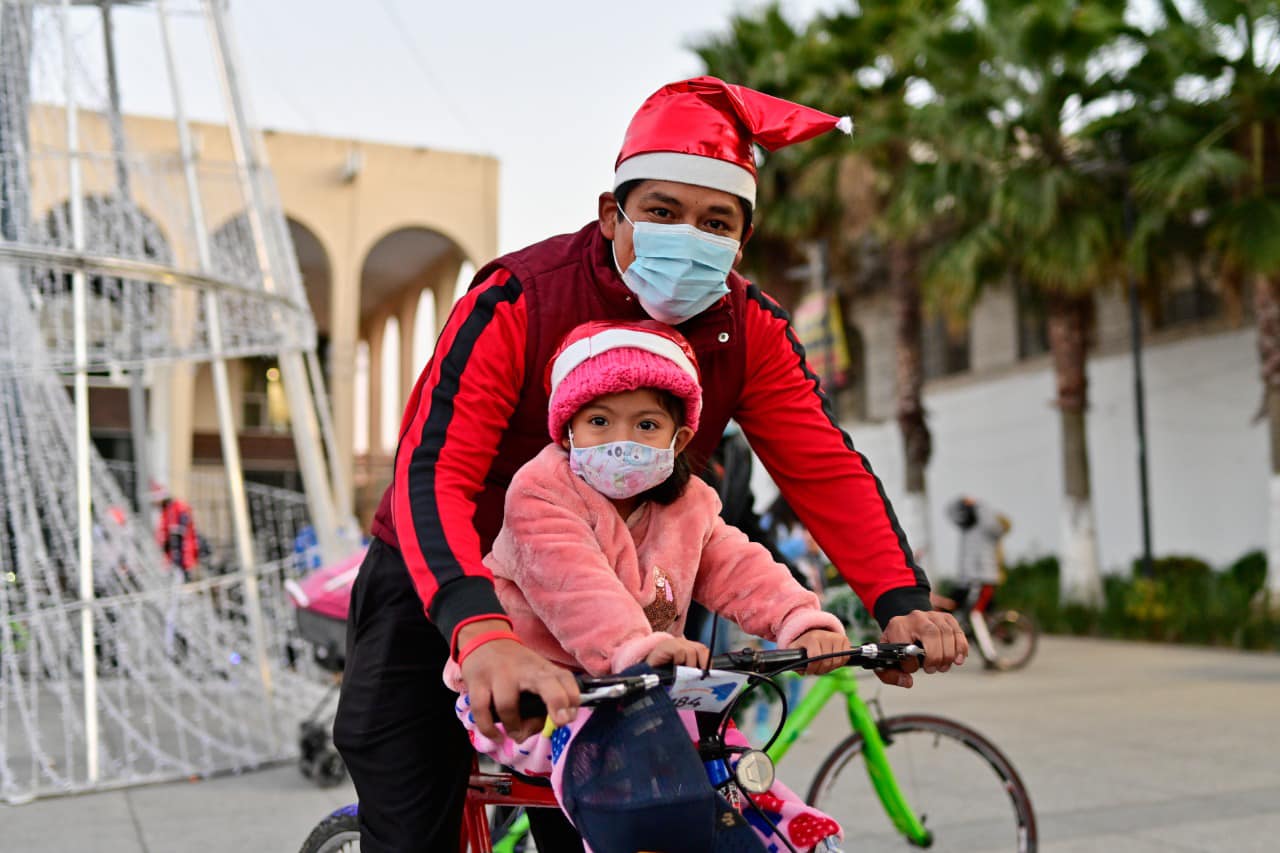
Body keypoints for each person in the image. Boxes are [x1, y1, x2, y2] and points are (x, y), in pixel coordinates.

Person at [333, 75, 967, 853]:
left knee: (648, 825)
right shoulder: (519, 297)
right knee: (410, 812)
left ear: (741, 239)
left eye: (716, 221)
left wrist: (899, 596)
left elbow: (823, 465)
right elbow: (433, 471)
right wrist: (480, 629)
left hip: (634, 601)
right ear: (612, 214)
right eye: (662, 211)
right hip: (450, 582)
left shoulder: (750, 330)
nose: (687, 236)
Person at [446, 320, 846, 851]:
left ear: (678, 439)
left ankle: (790, 836)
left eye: (646, 425)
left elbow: (738, 566)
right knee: (635, 797)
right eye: (598, 421)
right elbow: (578, 591)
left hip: (645, 690)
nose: (621, 441)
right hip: (530, 696)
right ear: (567, 430)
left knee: (726, 760)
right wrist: (645, 649)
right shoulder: (540, 493)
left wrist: (800, 620)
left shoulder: (690, 503)